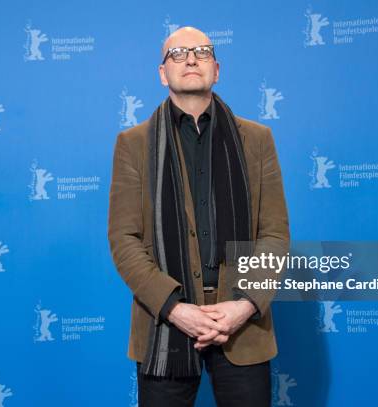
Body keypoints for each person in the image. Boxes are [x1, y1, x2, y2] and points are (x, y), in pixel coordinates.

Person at [108, 26, 290, 407]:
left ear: (217, 69)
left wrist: (244, 306)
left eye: (202, 51)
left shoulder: (257, 140)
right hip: (165, 326)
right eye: (178, 54)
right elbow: (124, 240)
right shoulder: (133, 145)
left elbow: (273, 234)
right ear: (162, 73)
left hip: (242, 326)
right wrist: (175, 309)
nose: (190, 59)